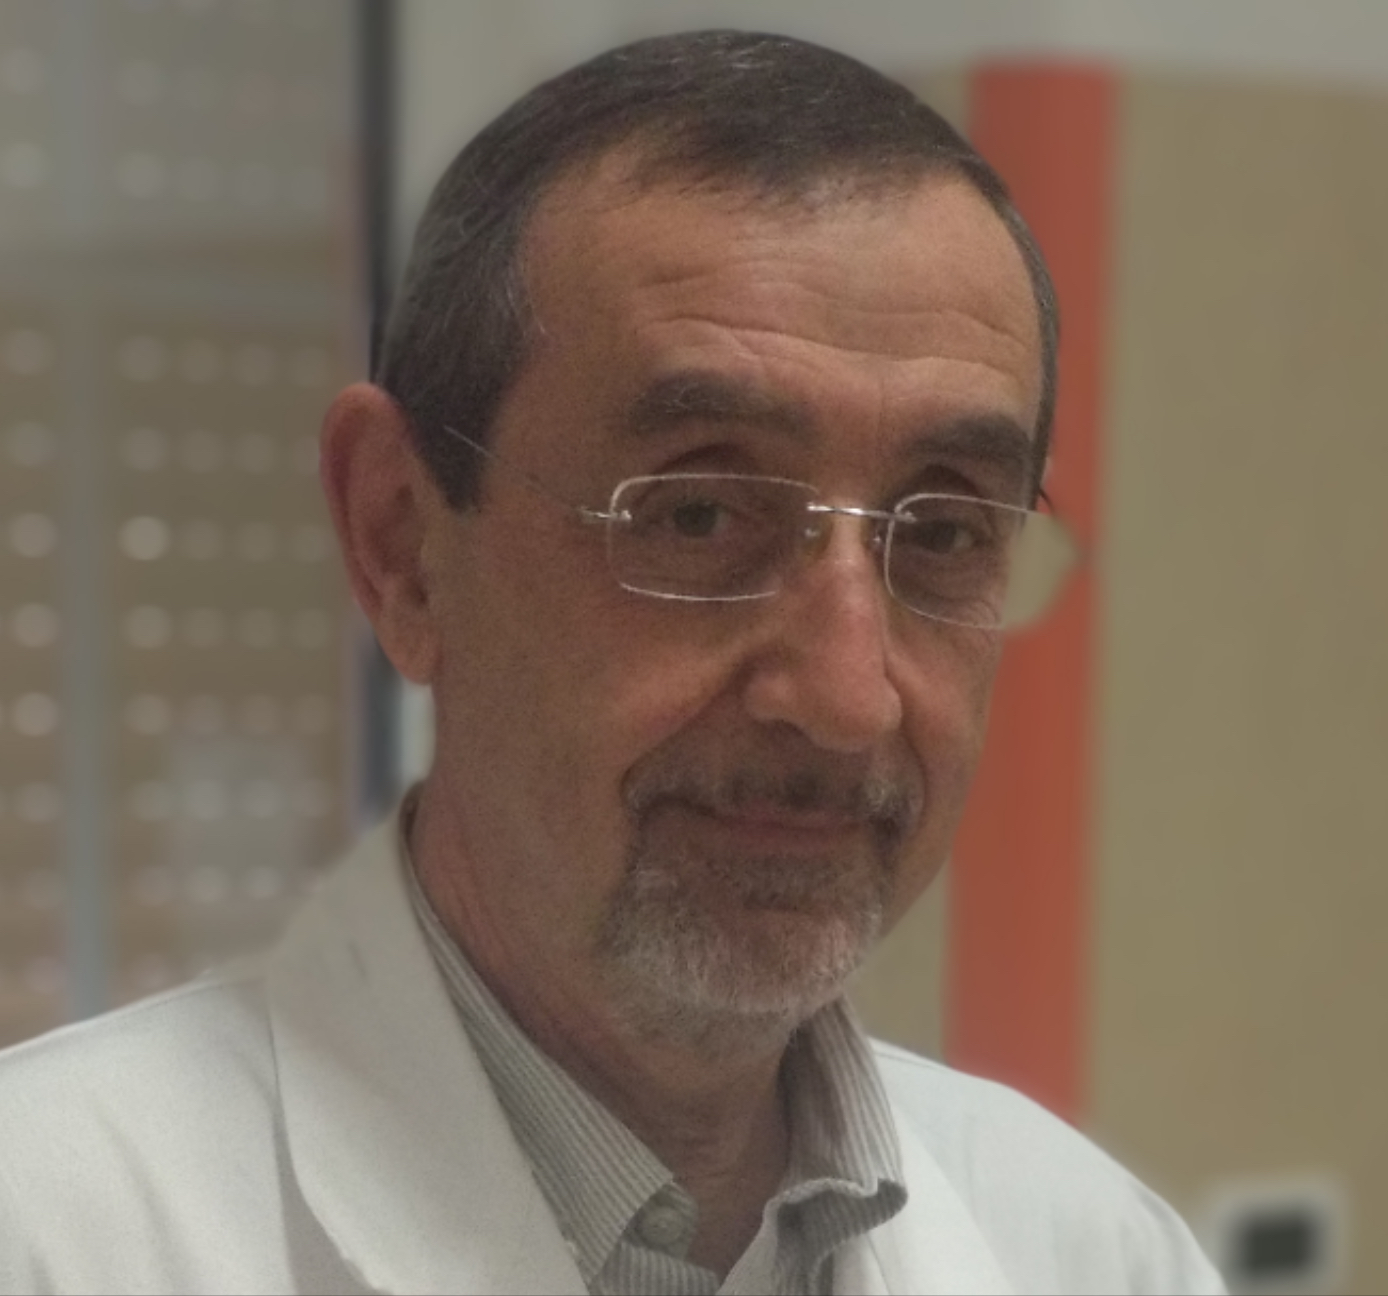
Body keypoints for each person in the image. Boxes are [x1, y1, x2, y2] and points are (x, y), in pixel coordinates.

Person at [0, 31, 1223, 1296]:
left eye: (947, 532)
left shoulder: (1092, 1253)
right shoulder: (44, 1230)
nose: (846, 698)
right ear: (402, 544)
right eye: (697, 513)